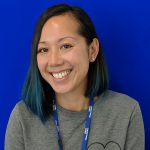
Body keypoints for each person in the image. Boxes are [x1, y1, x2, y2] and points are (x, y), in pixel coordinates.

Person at [5, 3, 145, 150]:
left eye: (66, 46)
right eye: (44, 49)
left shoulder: (126, 112)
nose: (54, 61)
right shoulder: (22, 117)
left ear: (92, 50)